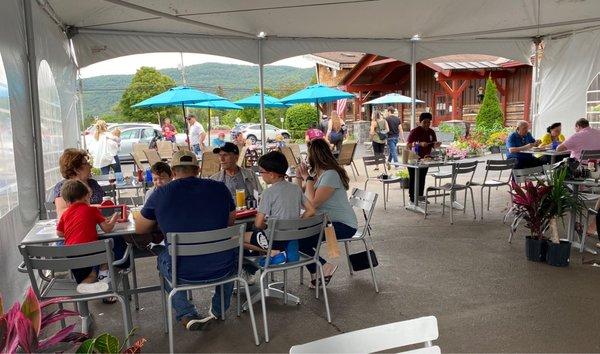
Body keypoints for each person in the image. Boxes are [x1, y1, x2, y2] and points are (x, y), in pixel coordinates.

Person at [135, 150, 237, 330]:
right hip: (223, 266)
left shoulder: (160, 194)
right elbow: (230, 221)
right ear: (197, 170)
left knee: (162, 258)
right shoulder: (220, 188)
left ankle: (186, 313)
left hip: (181, 270)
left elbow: (140, 228)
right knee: (232, 254)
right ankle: (219, 310)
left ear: (173, 172)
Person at [295, 138, 358, 288]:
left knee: (298, 240)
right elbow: (299, 198)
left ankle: (323, 267)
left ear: (313, 157)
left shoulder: (331, 175)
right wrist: (299, 178)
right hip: (326, 223)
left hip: (343, 225)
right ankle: (319, 270)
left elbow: (312, 204)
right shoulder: (319, 176)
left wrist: (308, 178)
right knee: (297, 237)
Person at [245, 151, 316, 263]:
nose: (261, 175)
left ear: (272, 174)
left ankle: (273, 252)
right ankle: (283, 252)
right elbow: (311, 210)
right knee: (258, 236)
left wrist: (266, 226)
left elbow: (258, 223)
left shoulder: (268, 193)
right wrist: (297, 222)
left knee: (236, 238)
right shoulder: (296, 189)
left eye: (261, 172)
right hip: (292, 236)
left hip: (273, 239)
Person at [56, 179, 119, 295]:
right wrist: (115, 217)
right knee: (108, 244)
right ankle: (103, 275)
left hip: (72, 255)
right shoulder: (92, 210)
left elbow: (59, 233)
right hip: (91, 253)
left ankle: (85, 285)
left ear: (68, 201)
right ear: (86, 196)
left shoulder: (65, 214)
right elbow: (107, 229)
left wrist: (73, 230)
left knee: (86, 275)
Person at [53, 149, 105, 217]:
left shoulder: (93, 184)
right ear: (77, 169)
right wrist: (90, 208)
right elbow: (61, 213)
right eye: (87, 163)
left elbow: (104, 206)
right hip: (76, 226)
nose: (90, 166)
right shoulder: (62, 187)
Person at [406, 112, 442, 204]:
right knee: (414, 178)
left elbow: (433, 145)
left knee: (422, 178)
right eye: (424, 122)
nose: (427, 124)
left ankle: (420, 197)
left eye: (428, 122)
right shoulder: (415, 131)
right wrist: (419, 144)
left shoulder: (431, 132)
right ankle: (412, 199)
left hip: (426, 159)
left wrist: (436, 145)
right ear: (420, 122)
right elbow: (408, 145)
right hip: (414, 159)